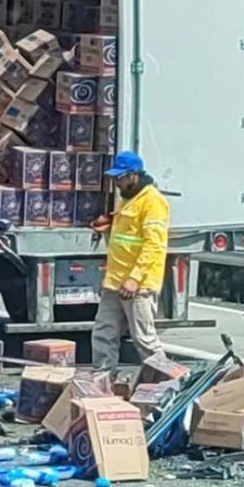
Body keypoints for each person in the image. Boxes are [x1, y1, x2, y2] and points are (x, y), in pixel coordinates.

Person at [90, 150, 170, 371]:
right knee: (104, 334)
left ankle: (168, 384)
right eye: (116, 178)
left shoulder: (153, 201)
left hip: (138, 285)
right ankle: (103, 381)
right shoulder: (129, 198)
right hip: (115, 281)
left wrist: (134, 279)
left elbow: (154, 245)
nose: (117, 182)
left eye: (121, 177)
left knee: (144, 340)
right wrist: (109, 225)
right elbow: (128, 234)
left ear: (134, 175)